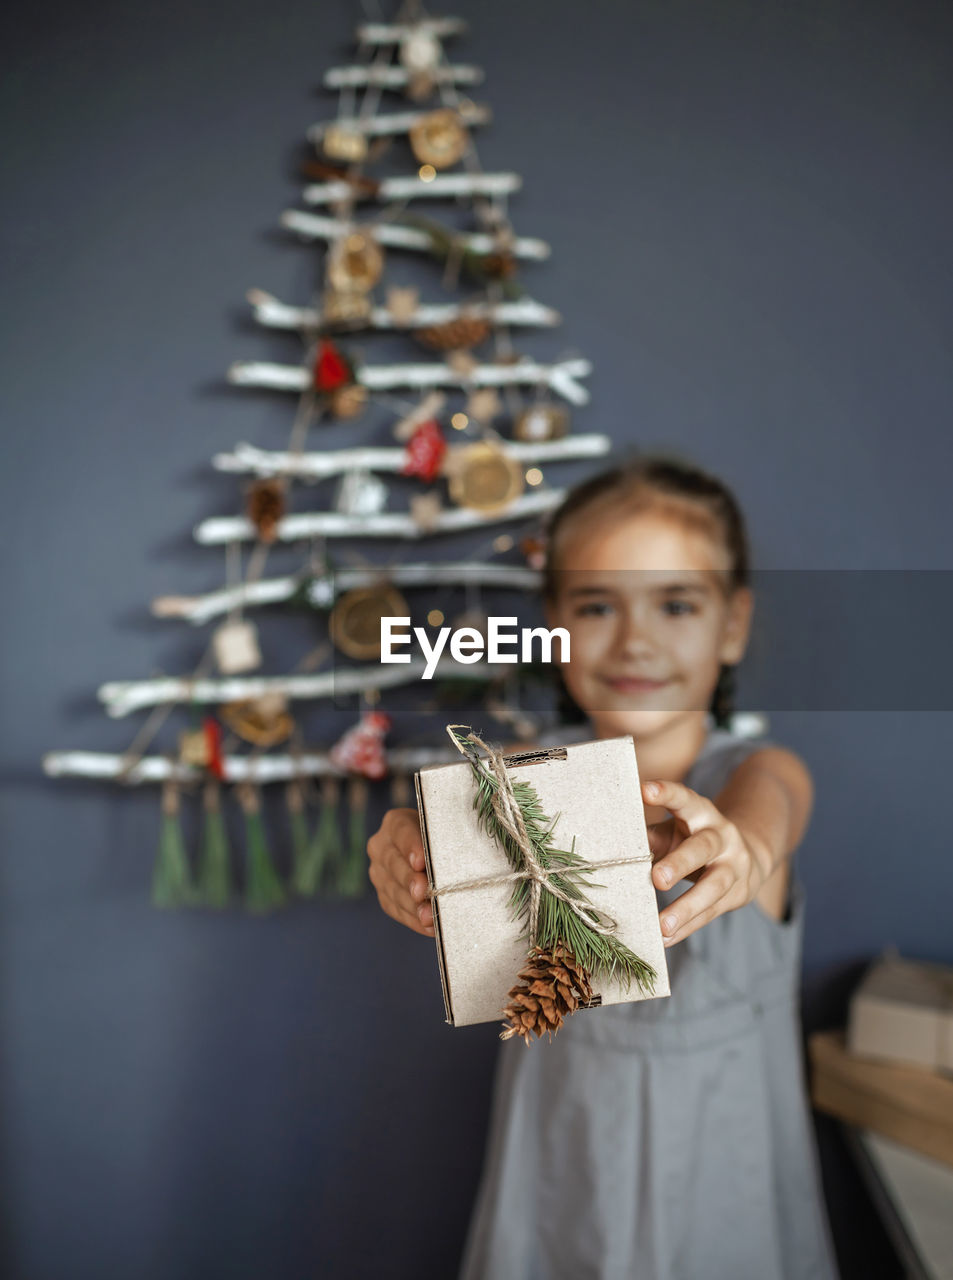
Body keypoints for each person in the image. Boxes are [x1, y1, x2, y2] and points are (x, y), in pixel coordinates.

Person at [368, 454, 840, 1280]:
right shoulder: (515, 784)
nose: (635, 640)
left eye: (676, 603)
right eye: (595, 605)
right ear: (553, 625)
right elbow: (440, 816)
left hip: (722, 1182)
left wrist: (748, 847)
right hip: (561, 1176)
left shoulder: (755, 775)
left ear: (732, 624)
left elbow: (774, 800)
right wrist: (407, 838)